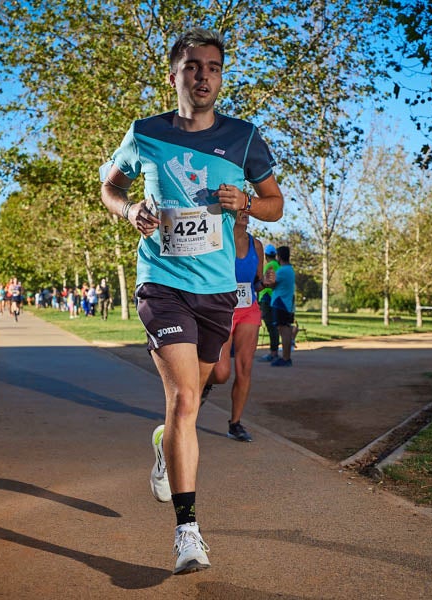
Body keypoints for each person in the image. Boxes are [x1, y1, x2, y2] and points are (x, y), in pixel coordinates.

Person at [100, 27, 283, 575]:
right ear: (174, 74)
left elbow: (274, 204)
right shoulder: (144, 134)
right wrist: (128, 211)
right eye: (193, 66)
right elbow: (110, 187)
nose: (203, 75)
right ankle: (187, 533)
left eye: (213, 67)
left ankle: (164, 447)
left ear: (220, 78)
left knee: (199, 391)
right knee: (184, 398)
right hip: (161, 282)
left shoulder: (245, 138)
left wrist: (247, 200)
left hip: (217, 290)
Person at [201, 211, 269, 442]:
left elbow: (257, 283)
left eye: (246, 210)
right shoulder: (217, 242)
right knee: (221, 373)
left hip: (248, 310)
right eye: (239, 211)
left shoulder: (256, 246)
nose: (244, 214)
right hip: (223, 311)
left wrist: (265, 282)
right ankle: (206, 385)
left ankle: (235, 423)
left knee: (244, 368)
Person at [268, 245, 295, 366]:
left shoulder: (281, 271)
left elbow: (271, 284)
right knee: (287, 330)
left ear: (279, 256)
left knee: (283, 331)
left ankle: (285, 358)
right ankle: (287, 357)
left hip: (280, 303)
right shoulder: (290, 270)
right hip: (287, 303)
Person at [257, 244, 279, 362]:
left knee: (271, 326)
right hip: (271, 297)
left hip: (266, 297)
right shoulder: (277, 265)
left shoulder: (270, 265)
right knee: (272, 326)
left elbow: (266, 281)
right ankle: (274, 351)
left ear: (265, 255)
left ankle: (273, 352)